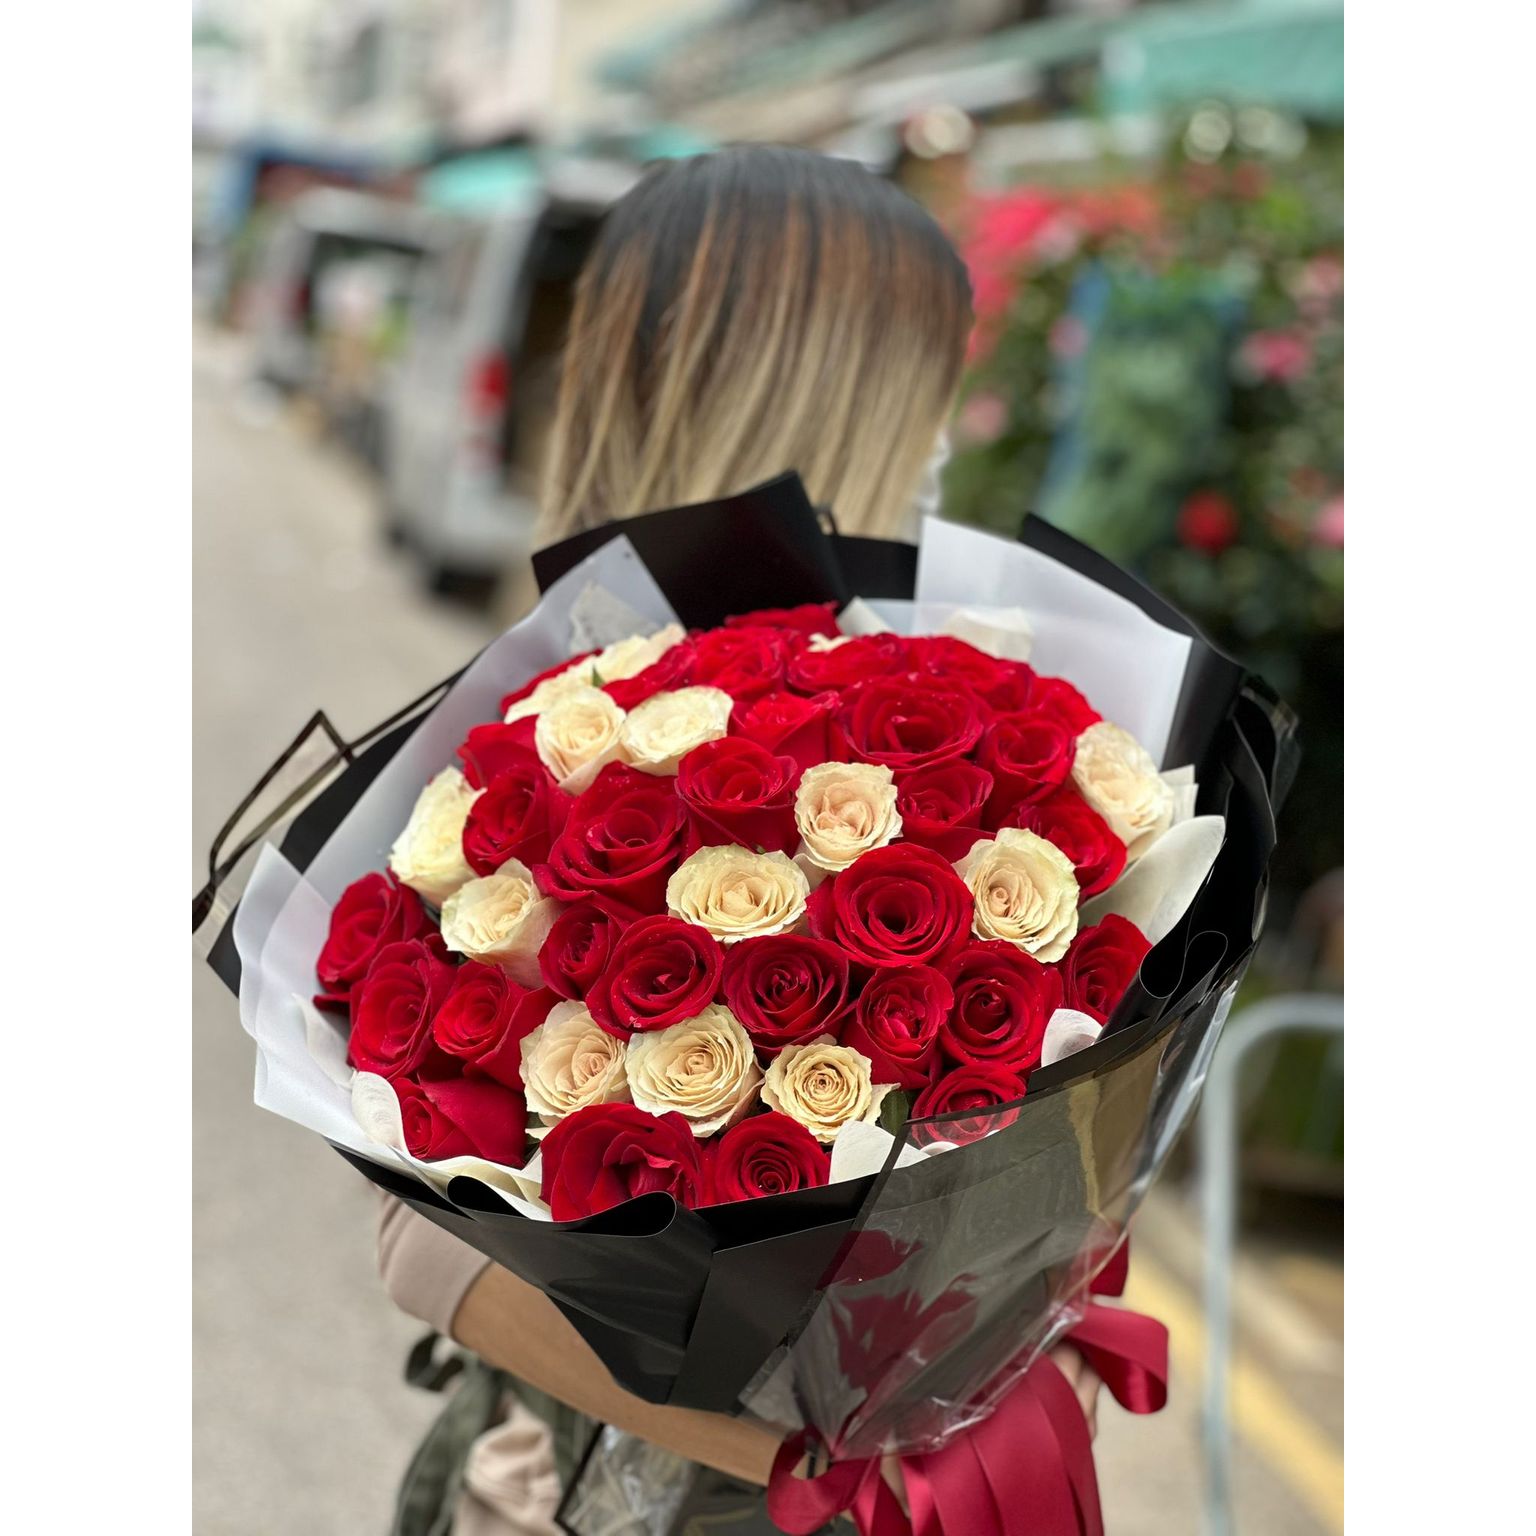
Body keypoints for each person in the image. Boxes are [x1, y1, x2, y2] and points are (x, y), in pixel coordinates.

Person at [375, 146, 1099, 1536]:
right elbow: (425, 1245)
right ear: (845, 396)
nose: (943, 446)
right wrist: (849, 1462)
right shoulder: (560, 740)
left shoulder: (938, 706)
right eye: (931, 395)